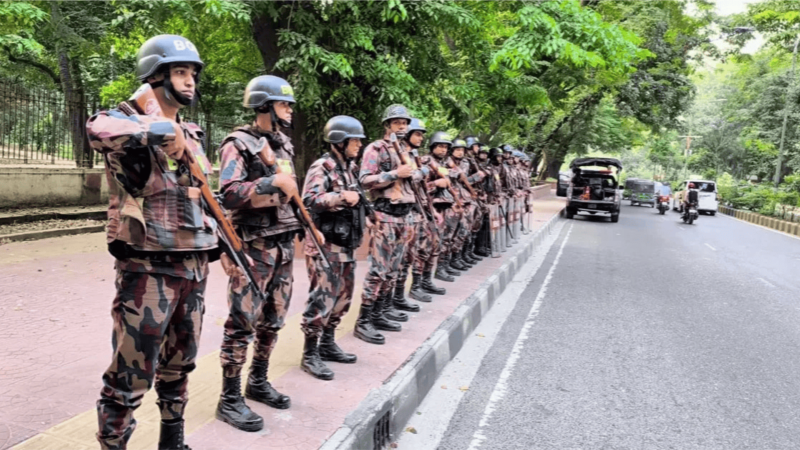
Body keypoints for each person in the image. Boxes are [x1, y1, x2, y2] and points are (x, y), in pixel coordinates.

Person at [88, 34, 219, 450]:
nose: (190, 81)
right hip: (149, 270)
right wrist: (162, 130)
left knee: (180, 365)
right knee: (130, 373)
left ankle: (173, 441)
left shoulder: (193, 133)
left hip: (193, 265)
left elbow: (201, 193)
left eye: (192, 74)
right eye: (180, 72)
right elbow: (98, 130)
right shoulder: (125, 118)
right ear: (156, 76)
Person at [215, 75, 303, 431]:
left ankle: (257, 380)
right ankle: (229, 397)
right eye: (284, 104)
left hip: (282, 245)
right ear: (264, 107)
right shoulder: (238, 143)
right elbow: (230, 193)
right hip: (253, 247)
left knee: (274, 320)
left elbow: (290, 191)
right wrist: (269, 182)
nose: (290, 110)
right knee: (242, 324)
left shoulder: (284, 144)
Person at [299, 115, 367, 380]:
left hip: (346, 243)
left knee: (343, 298)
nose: (359, 145)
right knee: (322, 298)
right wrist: (339, 197)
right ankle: (310, 353)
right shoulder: (322, 167)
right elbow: (309, 199)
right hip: (325, 245)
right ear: (340, 140)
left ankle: (327, 343)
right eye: (355, 140)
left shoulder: (349, 169)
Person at [356, 104, 429, 344]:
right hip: (385, 215)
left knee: (395, 269)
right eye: (397, 122)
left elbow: (417, 177)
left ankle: (381, 311)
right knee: (378, 270)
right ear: (387, 124)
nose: (402, 126)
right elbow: (365, 181)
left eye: (405, 123)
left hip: (405, 215)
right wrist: (394, 174)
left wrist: (414, 173)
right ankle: (364, 319)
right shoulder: (375, 149)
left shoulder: (409, 152)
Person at [393, 118, 436, 310]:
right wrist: (423, 172)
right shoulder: (396, 153)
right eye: (417, 134)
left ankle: (404, 292)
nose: (420, 138)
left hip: (418, 210)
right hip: (400, 212)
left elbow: (419, 185)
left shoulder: (411, 155)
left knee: (415, 253)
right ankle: (393, 298)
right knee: (399, 259)